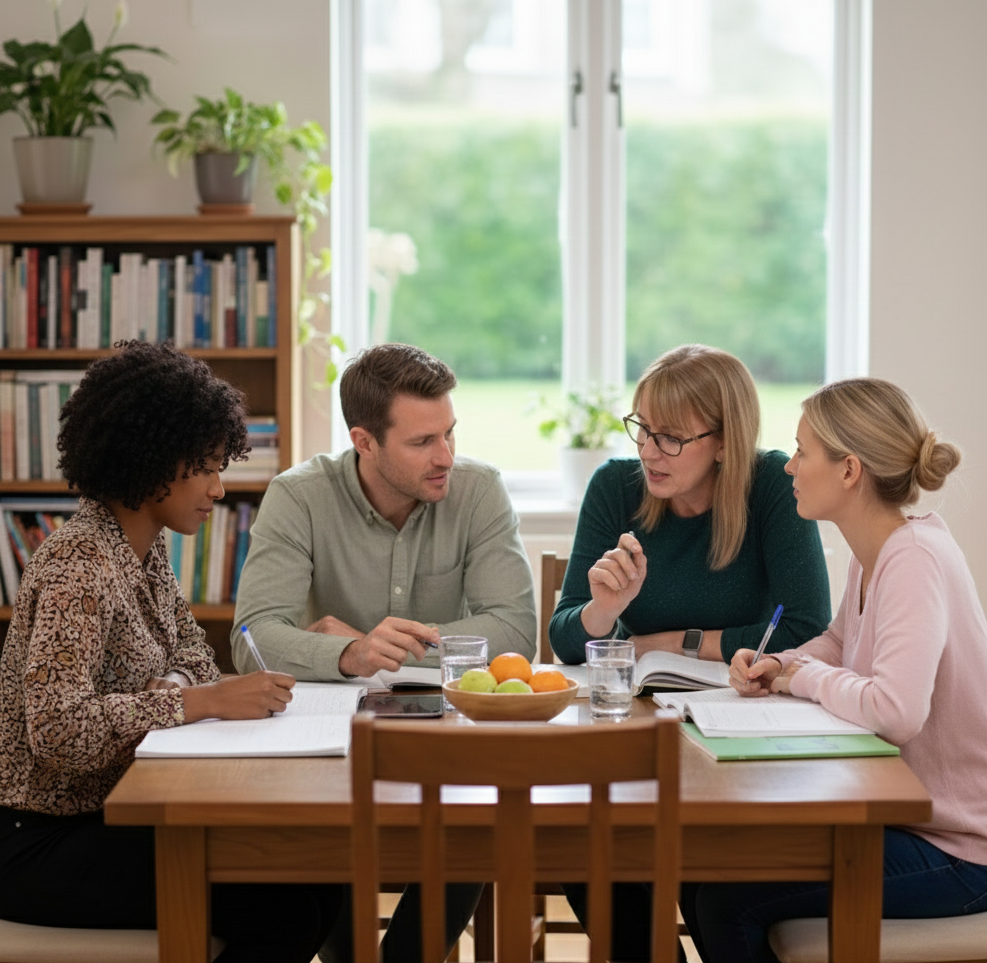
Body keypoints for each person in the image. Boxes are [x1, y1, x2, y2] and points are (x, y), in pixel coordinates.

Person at [0, 341, 342, 963]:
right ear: (150, 458)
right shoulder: (81, 563)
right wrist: (192, 702)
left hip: (107, 812)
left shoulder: (144, 545)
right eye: (206, 467)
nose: (219, 487)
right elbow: (55, 727)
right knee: (287, 907)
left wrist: (176, 688)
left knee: (321, 876)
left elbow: (194, 653)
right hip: (35, 838)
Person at [231, 341, 536, 962]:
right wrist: (351, 657)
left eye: (450, 433)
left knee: (471, 823)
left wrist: (364, 647)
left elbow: (516, 633)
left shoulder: (478, 492)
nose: (446, 456)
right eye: (423, 442)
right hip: (330, 745)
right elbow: (254, 637)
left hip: (452, 743)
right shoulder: (299, 496)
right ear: (364, 441)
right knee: (329, 831)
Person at [681, 377, 987, 963]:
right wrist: (781, 662)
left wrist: (801, 679)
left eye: (801, 451)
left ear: (849, 470)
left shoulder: (913, 560)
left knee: (725, 902)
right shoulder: (880, 552)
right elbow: (842, 641)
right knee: (707, 879)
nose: (790, 467)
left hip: (959, 851)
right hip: (918, 827)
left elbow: (896, 712)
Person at [550, 344, 831, 666]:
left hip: (743, 699)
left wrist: (678, 643)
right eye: (643, 427)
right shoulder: (614, 486)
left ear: (725, 443)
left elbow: (807, 632)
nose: (647, 452)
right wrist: (603, 610)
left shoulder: (772, 485)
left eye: (671, 438)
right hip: (642, 698)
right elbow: (565, 646)